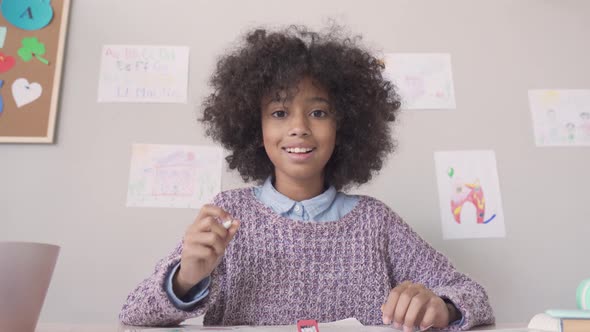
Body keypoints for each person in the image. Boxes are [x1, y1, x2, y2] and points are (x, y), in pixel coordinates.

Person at [119, 25, 495, 331]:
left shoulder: (375, 222)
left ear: (344, 126)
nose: (298, 127)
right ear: (255, 128)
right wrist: (186, 278)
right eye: (280, 112)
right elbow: (134, 313)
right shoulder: (227, 214)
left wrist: (441, 307)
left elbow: (472, 295)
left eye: (318, 113)